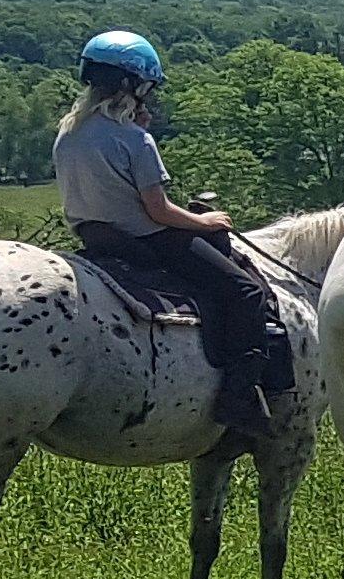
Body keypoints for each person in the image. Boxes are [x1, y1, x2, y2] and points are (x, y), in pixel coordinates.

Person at [50, 30, 285, 438]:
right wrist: (206, 222)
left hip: (96, 239)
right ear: (132, 86)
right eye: (145, 86)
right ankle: (239, 397)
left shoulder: (68, 133)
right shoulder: (135, 139)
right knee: (245, 291)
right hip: (148, 241)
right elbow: (158, 211)